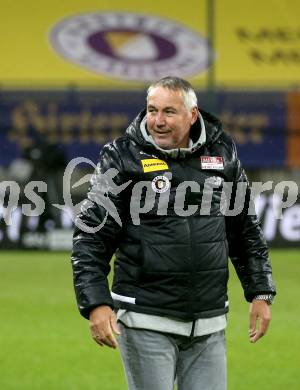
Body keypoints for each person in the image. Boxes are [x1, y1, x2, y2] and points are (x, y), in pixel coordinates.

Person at [71, 76, 276, 390]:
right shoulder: (122, 157)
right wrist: (96, 303)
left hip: (208, 320)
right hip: (145, 317)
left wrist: (260, 291)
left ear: (192, 115)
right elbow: (91, 236)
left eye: (169, 112)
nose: (158, 121)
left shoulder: (222, 153)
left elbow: (244, 228)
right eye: (152, 110)